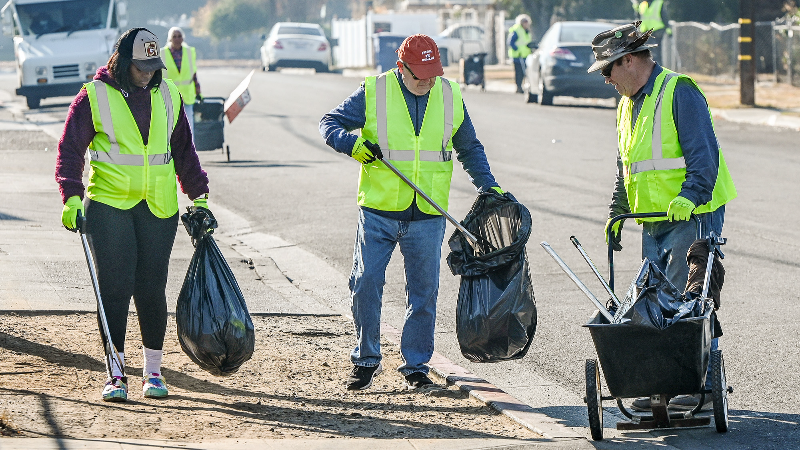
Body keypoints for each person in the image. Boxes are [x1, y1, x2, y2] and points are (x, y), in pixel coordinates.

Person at [319, 34, 504, 391]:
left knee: (424, 292)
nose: (428, 80)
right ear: (401, 67)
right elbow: (330, 123)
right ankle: (367, 359)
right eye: (420, 74)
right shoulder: (375, 90)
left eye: (433, 72)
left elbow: (469, 147)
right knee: (366, 283)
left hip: (428, 214)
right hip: (379, 210)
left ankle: (416, 365)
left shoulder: (449, 95)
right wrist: (353, 145)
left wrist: (488, 185)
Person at [55, 28, 212, 402]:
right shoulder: (93, 97)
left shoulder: (170, 94)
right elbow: (69, 152)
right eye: (141, 66)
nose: (148, 72)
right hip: (109, 203)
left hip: (158, 205)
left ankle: (153, 371)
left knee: (151, 288)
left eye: (153, 66)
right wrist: (71, 197)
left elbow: (184, 152)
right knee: (114, 287)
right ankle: (115, 373)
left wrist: (200, 197)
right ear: (123, 61)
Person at [588, 21, 736, 412]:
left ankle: (696, 383)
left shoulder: (678, 91)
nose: (605, 79)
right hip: (653, 217)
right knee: (655, 300)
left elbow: (704, 155)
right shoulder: (626, 102)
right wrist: (619, 211)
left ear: (630, 60)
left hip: (693, 211)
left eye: (608, 70)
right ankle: (662, 381)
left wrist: (691, 196)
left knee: (691, 298)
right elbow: (626, 167)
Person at [162, 27, 201, 139]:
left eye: (179, 36)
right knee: (172, 128)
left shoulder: (190, 52)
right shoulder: (162, 53)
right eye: (174, 36)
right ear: (170, 39)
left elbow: (193, 74)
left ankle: (190, 153)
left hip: (187, 96)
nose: (177, 39)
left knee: (188, 127)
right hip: (170, 96)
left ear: (183, 38)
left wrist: (198, 91)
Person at [507, 14, 532, 94]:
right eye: (524, 22)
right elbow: (511, 42)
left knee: (525, 72)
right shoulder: (517, 30)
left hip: (526, 55)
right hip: (518, 56)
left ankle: (524, 85)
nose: (526, 24)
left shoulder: (527, 31)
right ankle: (518, 87)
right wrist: (517, 50)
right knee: (519, 72)